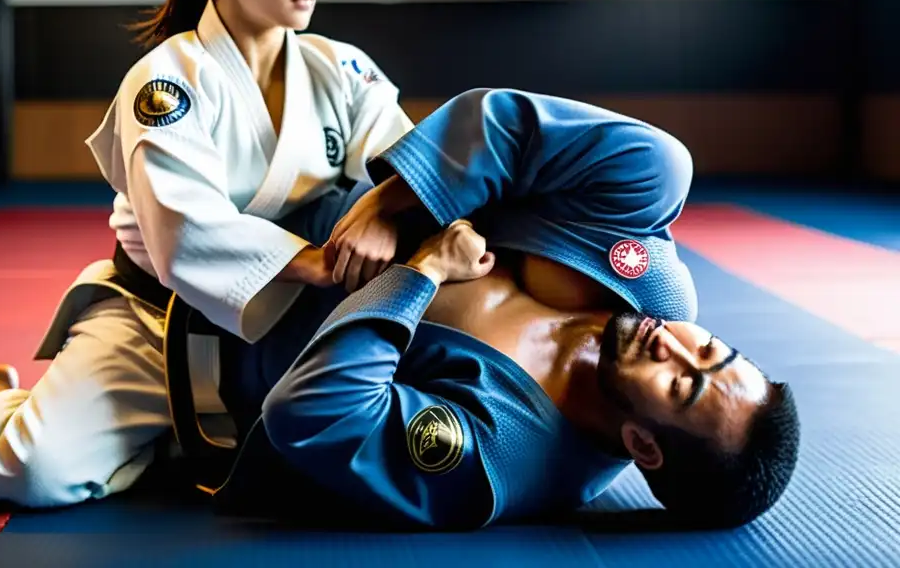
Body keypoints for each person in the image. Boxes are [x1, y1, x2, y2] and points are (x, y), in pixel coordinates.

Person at [0, 0, 413, 503]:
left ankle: (163, 436)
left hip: (289, 325)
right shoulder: (169, 83)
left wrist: (388, 208)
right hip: (154, 320)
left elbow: (408, 166)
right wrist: (322, 260)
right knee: (24, 473)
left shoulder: (344, 70)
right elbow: (183, 233)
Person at [170, 88, 800, 531]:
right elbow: (508, 126)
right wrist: (392, 204)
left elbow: (311, 412)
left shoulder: (511, 459)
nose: (678, 344)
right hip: (287, 190)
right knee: (666, 165)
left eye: (684, 383)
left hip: (203, 341)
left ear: (644, 445)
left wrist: (422, 274)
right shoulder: (653, 288)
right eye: (712, 348)